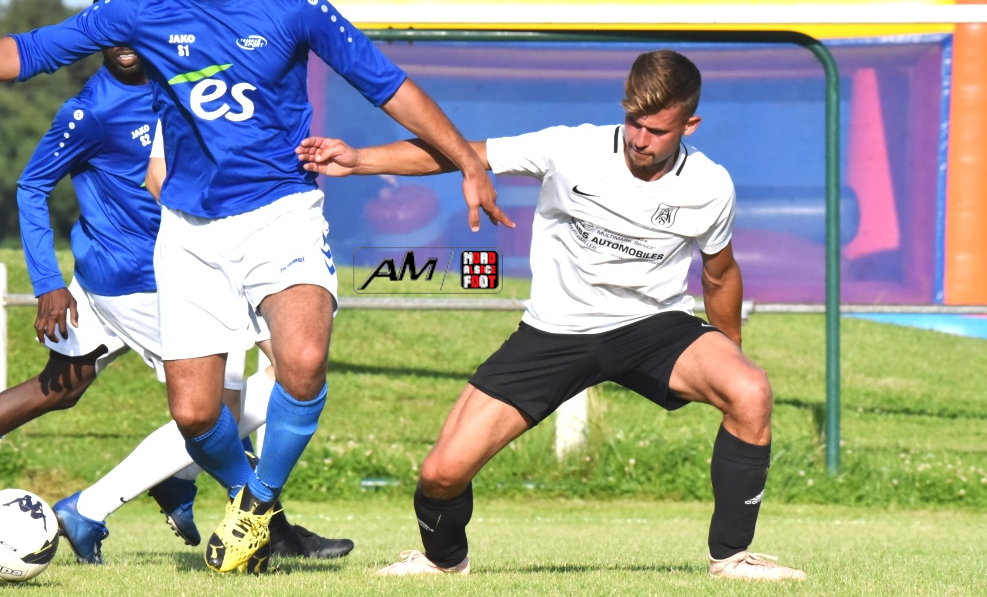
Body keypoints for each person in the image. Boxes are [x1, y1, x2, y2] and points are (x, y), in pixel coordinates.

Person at [0, 0, 507, 575]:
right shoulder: (142, 8)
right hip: (188, 234)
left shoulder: (292, 5)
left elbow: (390, 86)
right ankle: (253, 504)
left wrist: (466, 159)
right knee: (194, 414)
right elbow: (34, 50)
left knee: (302, 362)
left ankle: (257, 507)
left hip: (279, 213)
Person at [0, 0, 350, 565]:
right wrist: (48, 284)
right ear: (100, 33)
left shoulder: (180, 79)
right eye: (112, 28)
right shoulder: (91, 111)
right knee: (226, 406)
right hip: (144, 282)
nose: (126, 41)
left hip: (134, 274)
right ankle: (248, 520)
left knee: (62, 387)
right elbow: (31, 187)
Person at [296, 50, 807, 581]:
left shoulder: (710, 185)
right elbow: (463, 154)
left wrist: (728, 353)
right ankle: (443, 562)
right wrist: (360, 159)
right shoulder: (572, 149)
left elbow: (720, 275)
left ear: (689, 125)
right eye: (633, 120)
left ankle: (732, 558)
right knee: (441, 474)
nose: (639, 139)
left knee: (750, 391)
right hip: (556, 331)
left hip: (655, 327)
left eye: (656, 130)